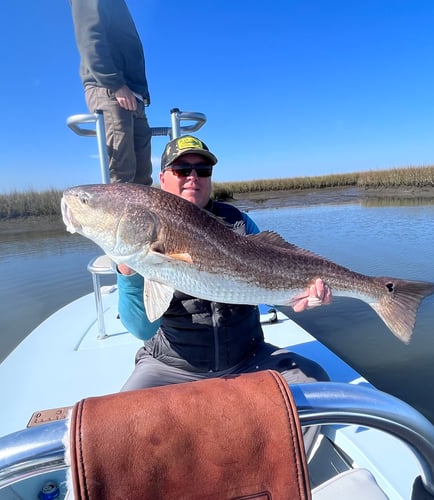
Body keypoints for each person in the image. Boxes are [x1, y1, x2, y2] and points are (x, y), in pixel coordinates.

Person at [116, 135, 332, 392]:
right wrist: (129, 270)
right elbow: (142, 327)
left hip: (247, 359)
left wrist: (304, 295)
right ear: (163, 178)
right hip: (172, 366)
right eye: (182, 169)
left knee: (318, 388)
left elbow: (270, 286)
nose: (193, 177)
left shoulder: (240, 224)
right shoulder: (144, 232)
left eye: (203, 170)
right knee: (124, 419)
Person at [70, 0, 153, 185]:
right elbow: (90, 38)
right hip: (112, 90)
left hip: (134, 96)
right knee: (122, 178)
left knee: (143, 180)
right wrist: (115, 83)